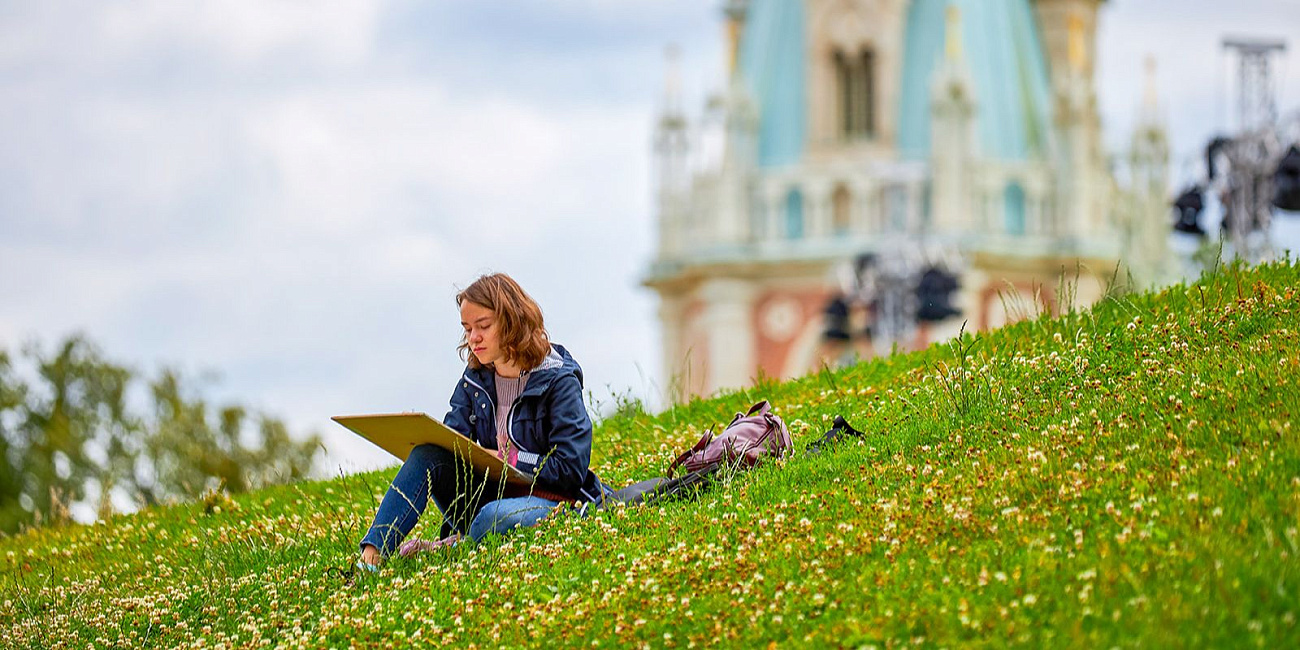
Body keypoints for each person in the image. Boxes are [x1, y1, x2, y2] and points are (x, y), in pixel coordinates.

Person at [357, 273, 606, 569]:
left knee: (492, 518)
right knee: (427, 455)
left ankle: (453, 547)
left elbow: (570, 469)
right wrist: (420, 432)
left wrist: (507, 458)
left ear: (512, 321)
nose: (473, 338)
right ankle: (370, 560)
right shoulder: (475, 378)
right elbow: (453, 446)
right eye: (467, 328)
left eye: (483, 326)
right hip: (488, 496)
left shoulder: (559, 380)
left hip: (552, 501)